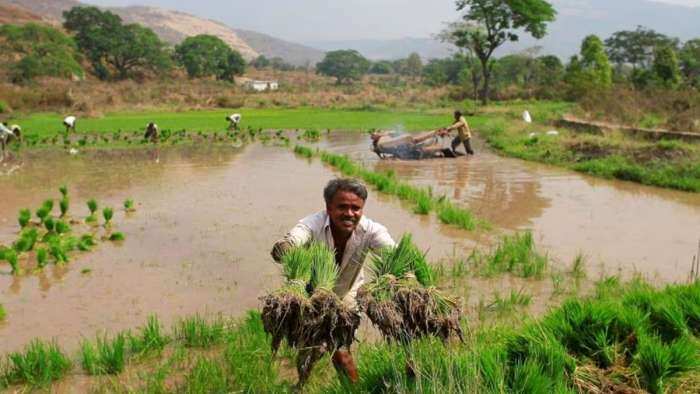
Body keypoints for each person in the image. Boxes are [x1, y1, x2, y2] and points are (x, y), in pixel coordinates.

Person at [271, 178, 396, 385]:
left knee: (340, 348)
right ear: (329, 208)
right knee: (310, 348)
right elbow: (295, 237)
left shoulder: (372, 230)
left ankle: (351, 389)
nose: (349, 213)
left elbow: (393, 253)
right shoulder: (313, 224)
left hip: (347, 292)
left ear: (362, 209)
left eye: (355, 208)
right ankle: (302, 384)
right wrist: (286, 248)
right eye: (342, 207)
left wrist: (405, 276)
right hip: (313, 293)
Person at [370, 129, 454, 160]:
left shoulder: (383, 138)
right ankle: (440, 150)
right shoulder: (381, 142)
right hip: (403, 149)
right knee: (418, 145)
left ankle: (439, 150)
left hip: (403, 148)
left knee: (418, 145)